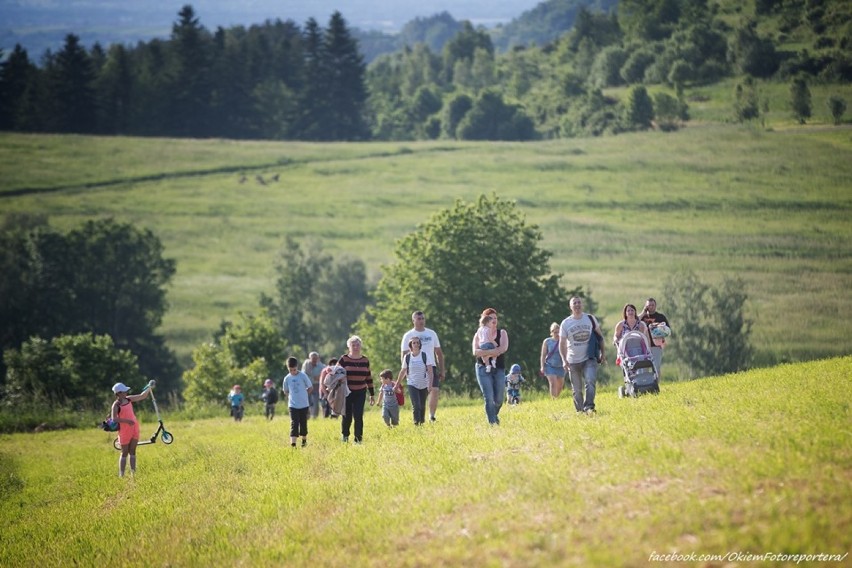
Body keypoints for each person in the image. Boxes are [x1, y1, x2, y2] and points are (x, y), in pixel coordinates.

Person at [559, 297, 606, 415]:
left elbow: (600, 337)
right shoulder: (566, 323)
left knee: (590, 381)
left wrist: (603, 353)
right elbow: (562, 344)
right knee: (577, 389)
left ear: (582, 305)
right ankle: (579, 410)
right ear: (570, 307)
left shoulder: (590, 319)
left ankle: (589, 407)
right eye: (574, 303)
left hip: (589, 358)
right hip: (572, 361)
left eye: (579, 302)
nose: (577, 305)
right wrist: (564, 360)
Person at [400, 310, 445, 423]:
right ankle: (418, 418)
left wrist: (442, 369)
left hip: (430, 366)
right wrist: (405, 371)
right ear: (413, 320)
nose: (421, 321)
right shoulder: (408, 336)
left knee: (434, 390)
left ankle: (432, 416)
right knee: (420, 397)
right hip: (415, 368)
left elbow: (438, 353)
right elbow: (404, 354)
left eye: (423, 319)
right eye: (418, 319)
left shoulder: (431, 334)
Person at [472, 307, 509, 425]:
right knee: (488, 397)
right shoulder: (478, 333)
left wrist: (486, 352)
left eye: (495, 318)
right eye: (491, 318)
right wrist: (493, 352)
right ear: (485, 320)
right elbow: (475, 352)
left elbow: (503, 349)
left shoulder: (502, 333)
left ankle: (493, 414)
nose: (494, 320)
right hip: (482, 368)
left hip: (498, 368)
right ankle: (492, 423)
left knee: (498, 399)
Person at [111, 380, 154, 478]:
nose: (126, 393)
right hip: (124, 430)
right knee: (124, 452)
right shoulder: (116, 405)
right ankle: (121, 474)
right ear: (118, 393)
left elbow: (142, 396)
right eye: (124, 391)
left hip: (134, 428)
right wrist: (127, 421)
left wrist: (149, 387)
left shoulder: (129, 399)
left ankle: (133, 473)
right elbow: (114, 419)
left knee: (133, 451)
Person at [338, 335, 375, 444]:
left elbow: (368, 377)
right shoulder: (344, 359)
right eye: (353, 345)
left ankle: (358, 439)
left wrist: (372, 394)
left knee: (358, 416)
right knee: (347, 416)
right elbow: (336, 373)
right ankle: (345, 436)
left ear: (361, 346)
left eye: (357, 345)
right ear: (349, 347)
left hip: (361, 391)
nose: (355, 347)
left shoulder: (365, 360)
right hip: (347, 392)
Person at [397, 337, 433, 426]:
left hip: (424, 384)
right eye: (414, 343)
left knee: (422, 405)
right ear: (411, 345)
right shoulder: (407, 357)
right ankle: (416, 423)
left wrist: (430, 384)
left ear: (420, 344)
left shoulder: (424, 355)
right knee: (416, 405)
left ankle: (422, 422)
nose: (416, 344)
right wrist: (397, 384)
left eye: (417, 343)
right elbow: (403, 371)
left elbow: (430, 371)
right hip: (412, 383)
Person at [282, 356, 313, 448]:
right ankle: (293, 444)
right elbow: (285, 391)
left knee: (303, 423)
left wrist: (304, 395)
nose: (293, 372)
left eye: (294, 370)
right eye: (290, 370)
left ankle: (304, 440)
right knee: (294, 423)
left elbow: (310, 387)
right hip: (293, 405)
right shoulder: (287, 378)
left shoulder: (303, 376)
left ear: (297, 367)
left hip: (304, 404)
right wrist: (291, 398)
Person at [640, 298, 672, 379]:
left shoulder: (660, 317)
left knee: (656, 367)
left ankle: (656, 385)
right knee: (643, 368)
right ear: (645, 306)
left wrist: (658, 326)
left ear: (655, 306)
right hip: (644, 346)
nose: (650, 307)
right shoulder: (642, 317)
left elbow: (668, 330)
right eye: (648, 305)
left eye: (652, 305)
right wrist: (643, 313)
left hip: (656, 346)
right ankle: (645, 383)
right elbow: (634, 322)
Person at [540, 322, 566, 398]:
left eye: (558, 332)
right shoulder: (547, 341)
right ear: (551, 333)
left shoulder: (563, 341)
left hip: (561, 366)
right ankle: (553, 399)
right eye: (555, 332)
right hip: (549, 366)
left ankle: (556, 398)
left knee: (560, 385)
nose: (557, 334)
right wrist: (542, 366)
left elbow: (567, 353)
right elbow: (543, 355)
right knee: (553, 383)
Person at [301, 352, 325, 419]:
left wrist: (319, 377)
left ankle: (314, 416)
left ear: (318, 359)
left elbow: (324, 374)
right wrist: (314, 378)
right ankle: (306, 416)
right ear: (310, 358)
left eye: (316, 358)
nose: (314, 360)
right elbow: (304, 375)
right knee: (306, 401)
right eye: (313, 358)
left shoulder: (321, 366)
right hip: (307, 386)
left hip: (316, 386)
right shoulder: (306, 364)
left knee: (315, 402)